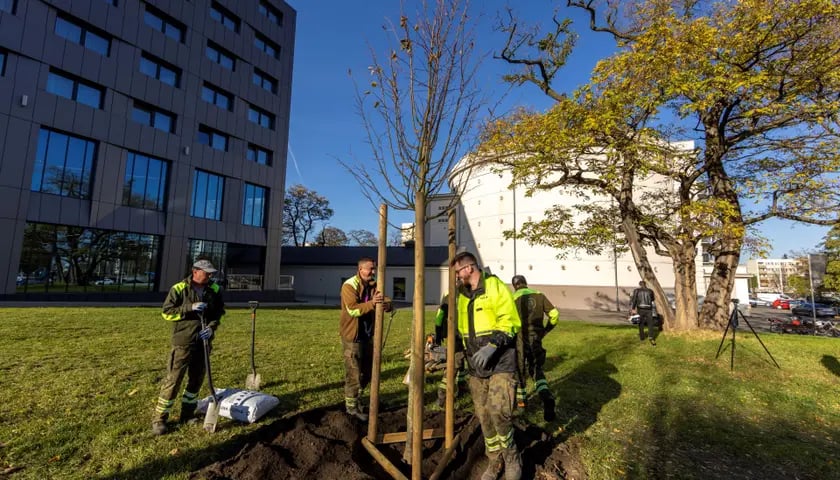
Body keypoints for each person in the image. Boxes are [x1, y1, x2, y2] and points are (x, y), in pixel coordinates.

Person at [451, 251, 523, 480]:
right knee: (483, 416)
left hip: (500, 362)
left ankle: (512, 457)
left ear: (469, 268)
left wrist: (493, 346)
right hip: (476, 367)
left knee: (499, 412)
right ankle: (494, 461)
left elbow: (510, 321)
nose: (456, 278)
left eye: (457, 273)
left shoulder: (495, 287)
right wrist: (454, 352)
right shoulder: (462, 295)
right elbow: (462, 331)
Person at [152, 259, 226, 435]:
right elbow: (166, 313)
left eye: (211, 273)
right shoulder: (179, 289)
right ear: (195, 271)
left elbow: (218, 313)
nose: (210, 275)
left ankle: (187, 414)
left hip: (203, 343)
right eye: (206, 272)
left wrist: (211, 328)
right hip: (183, 342)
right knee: (174, 380)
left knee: (196, 379)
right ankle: (159, 419)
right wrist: (189, 307)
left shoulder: (214, 290)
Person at [339, 257, 389, 421]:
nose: (373, 272)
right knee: (354, 373)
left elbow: (384, 299)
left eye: (374, 269)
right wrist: (373, 303)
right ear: (360, 269)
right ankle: (351, 408)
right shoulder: (349, 285)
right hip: (353, 337)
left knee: (367, 372)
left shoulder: (374, 286)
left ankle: (358, 399)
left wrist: (387, 304)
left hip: (368, 336)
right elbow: (352, 310)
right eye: (369, 269)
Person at [511, 275, 559, 422]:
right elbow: (554, 314)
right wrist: (546, 330)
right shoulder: (539, 295)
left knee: (519, 370)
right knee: (536, 369)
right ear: (526, 283)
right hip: (536, 337)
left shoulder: (512, 299)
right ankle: (546, 396)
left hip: (520, 338)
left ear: (514, 286)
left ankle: (522, 403)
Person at [432, 293, 468, 407]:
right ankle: (442, 395)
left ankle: (462, 387)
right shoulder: (468, 295)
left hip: (456, 335)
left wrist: (438, 333)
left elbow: (440, 315)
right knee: (454, 364)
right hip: (461, 336)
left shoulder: (448, 296)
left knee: (460, 363)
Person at [630, 280, 657, 346]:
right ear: (645, 284)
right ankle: (651, 338)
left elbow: (634, 300)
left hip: (640, 309)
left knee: (641, 323)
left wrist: (633, 308)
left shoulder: (636, 290)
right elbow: (653, 299)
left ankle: (642, 337)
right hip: (649, 309)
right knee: (650, 324)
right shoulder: (650, 291)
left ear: (640, 285)